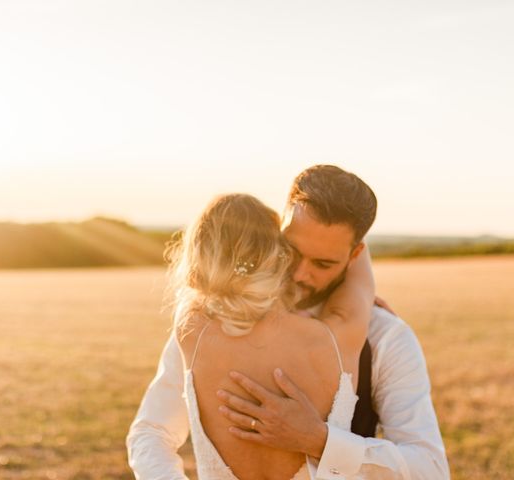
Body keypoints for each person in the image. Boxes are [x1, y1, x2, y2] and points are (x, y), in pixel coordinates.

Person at [127, 165, 450, 479]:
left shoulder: (385, 336)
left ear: (355, 256)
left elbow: (430, 470)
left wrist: (320, 441)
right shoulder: (216, 319)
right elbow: (151, 432)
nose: (299, 274)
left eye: (323, 263)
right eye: (290, 251)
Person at [169, 192, 374, 478]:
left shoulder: (191, 331)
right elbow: (363, 285)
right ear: (280, 256)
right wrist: (350, 242)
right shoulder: (337, 336)